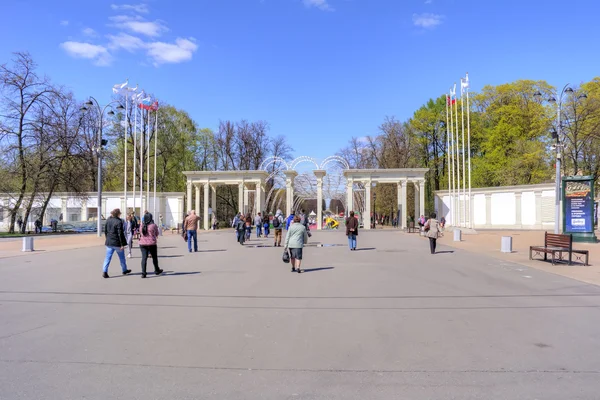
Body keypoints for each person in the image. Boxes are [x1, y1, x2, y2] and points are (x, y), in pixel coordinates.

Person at [102, 208, 132, 279]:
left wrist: (107, 239)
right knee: (121, 258)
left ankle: (104, 271)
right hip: (117, 243)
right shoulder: (119, 222)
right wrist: (122, 244)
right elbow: (120, 234)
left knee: (107, 258)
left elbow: (105, 231)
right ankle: (124, 270)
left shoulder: (108, 220)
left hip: (109, 242)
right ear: (118, 214)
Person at [138, 213, 164, 278]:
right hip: (151, 243)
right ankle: (156, 270)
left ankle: (143, 273)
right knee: (154, 257)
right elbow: (157, 233)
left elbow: (140, 232)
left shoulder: (141, 225)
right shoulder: (153, 225)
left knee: (144, 258)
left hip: (142, 243)